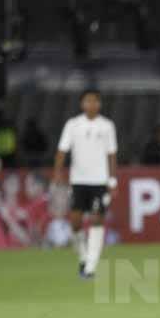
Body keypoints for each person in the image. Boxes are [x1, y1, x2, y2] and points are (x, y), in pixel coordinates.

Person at [53, 89, 117, 279]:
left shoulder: (107, 126)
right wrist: (57, 172)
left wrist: (113, 180)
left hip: (99, 181)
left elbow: (111, 154)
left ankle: (90, 266)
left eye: (95, 101)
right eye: (88, 101)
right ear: (82, 104)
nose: (91, 104)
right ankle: (83, 255)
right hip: (78, 181)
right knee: (75, 222)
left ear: (99, 104)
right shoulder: (73, 125)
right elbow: (62, 150)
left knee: (97, 219)